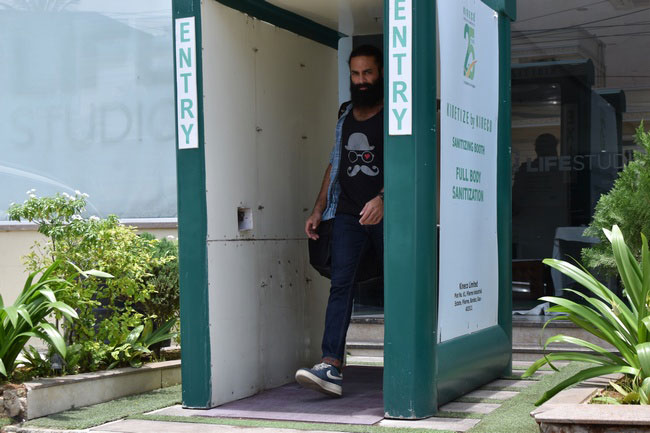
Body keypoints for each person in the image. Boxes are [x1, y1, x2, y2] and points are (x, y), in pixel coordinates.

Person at [295, 45, 384, 398]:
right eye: (355, 74)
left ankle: (413, 357)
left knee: (399, 286)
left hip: (387, 213)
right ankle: (330, 364)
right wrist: (319, 210)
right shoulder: (346, 114)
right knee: (341, 286)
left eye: (368, 73)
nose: (361, 81)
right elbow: (335, 163)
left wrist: (384, 198)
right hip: (347, 213)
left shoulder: (395, 113)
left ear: (379, 75)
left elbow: (411, 161)